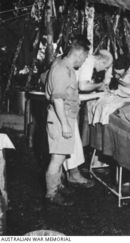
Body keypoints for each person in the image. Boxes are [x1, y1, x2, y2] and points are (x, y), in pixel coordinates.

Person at [45, 37, 92, 206]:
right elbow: (57, 100)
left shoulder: (67, 67)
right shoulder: (61, 70)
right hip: (60, 120)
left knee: (62, 155)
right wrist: (65, 124)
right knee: (57, 159)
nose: (85, 60)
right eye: (85, 57)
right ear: (79, 54)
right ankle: (51, 193)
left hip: (65, 118)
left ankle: (58, 185)